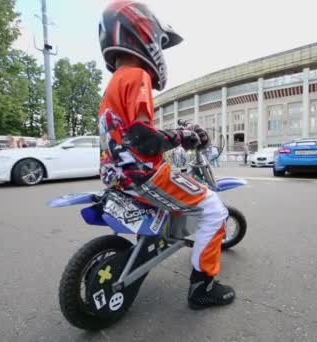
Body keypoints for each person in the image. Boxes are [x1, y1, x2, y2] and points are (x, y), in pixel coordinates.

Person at [97, 1, 234, 310]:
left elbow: (129, 133)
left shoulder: (114, 84)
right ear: (142, 33)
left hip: (116, 175)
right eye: (160, 42)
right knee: (214, 209)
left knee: (186, 200)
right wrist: (182, 136)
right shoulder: (136, 76)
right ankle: (203, 287)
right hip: (143, 174)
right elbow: (143, 140)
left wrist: (171, 136)